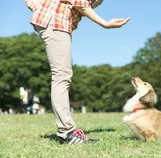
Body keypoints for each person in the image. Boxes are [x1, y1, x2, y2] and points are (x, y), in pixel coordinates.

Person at [24, 0, 130, 144]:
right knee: (61, 76)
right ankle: (67, 133)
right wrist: (104, 23)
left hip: (56, 20)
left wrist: (39, 5)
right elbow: (79, 2)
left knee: (62, 75)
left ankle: (66, 132)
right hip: (56, 21)